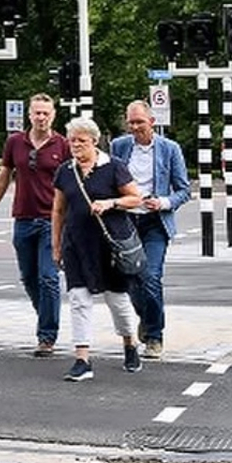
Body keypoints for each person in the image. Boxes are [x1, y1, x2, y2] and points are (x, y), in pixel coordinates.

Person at [51, 116, 145, 381]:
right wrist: (56, 245)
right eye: (72, 141)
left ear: (94, 141)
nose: (75, 145)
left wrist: (111, 203)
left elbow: (135, 198)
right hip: (76, 244)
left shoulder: (114, 167)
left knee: (116, 299)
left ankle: (130, 343)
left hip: (109, 245)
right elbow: (58, 210)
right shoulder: (65, 171)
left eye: (81, 141)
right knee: (79, 299)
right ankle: (82, 359)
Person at [0, 93, 69, 356]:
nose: (41, 117)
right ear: (29, 115)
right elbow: (4, 177)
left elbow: (70, 184)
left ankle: (47, 337)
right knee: (29, 278)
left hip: (51, 221)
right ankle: (46, 316)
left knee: (48, 277)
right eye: (37, 113)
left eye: (46, 113)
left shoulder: (61, 145)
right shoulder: (15, 142)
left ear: (53, 116)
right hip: (23, 219)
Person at [110, 100, 191, 360]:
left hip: (155, 222)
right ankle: (146, 317)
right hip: (127, 221)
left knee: (151, 277)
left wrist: (164, 202)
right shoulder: (119, 146)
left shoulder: (169, 149)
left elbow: (184, 189)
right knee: (131, 279)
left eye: (139, 122)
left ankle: (154, 336)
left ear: (152, 122)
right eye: (131, 122)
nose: (134, 127)